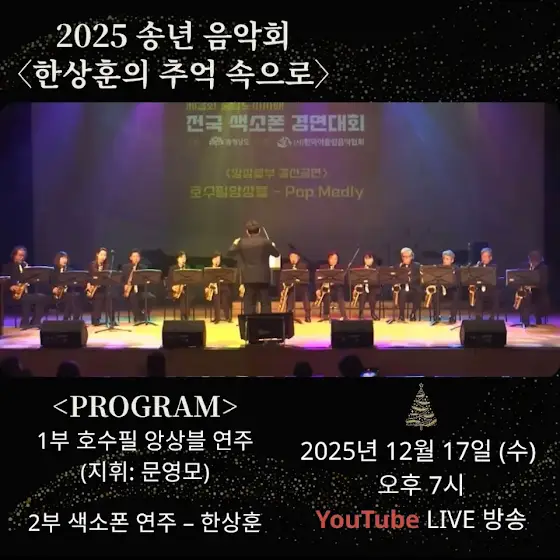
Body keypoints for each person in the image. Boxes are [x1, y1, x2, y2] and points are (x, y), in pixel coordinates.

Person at [227, 220, 280, 314]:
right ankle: (267, 322)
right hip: (263, 277)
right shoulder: (265, 242)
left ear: (247, 231)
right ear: (259, 230)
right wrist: (272, 245)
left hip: (248, 278)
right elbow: (276, 254)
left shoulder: (241, 242)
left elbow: (230, 253)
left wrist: (234, 243)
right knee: (265, 303)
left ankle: (249, 322)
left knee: (249, 303)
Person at [6, 245, 47, 329]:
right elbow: (5, 280)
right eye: (20, 255)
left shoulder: (25, 265)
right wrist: (11, 286)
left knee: (42, 297)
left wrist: (33, 279)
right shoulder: (8, 266)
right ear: (14, 255)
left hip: (25, 292)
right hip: (12, 294)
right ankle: (24, 322)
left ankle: (35, 321)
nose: (22, 258)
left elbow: (28, 280)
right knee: (26, 299)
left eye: (23, 256)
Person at [429, 250, 460, 324]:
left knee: (456, 294)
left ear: (452, 260)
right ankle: (436, 317)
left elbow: (458, 282)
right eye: (444, 258)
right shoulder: (438, 268)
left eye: (447, 259)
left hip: (451, 290)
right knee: (435, 294)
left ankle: (452, 317)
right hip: (441, 289)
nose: (445, 261)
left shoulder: (456, 269)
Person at [519, 250, 549, 326]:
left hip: (538, 293)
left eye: (532, 261)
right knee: (523, 297)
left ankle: (537, 319)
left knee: (530, 298)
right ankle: (525, 321)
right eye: (530, 260)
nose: (530, 262)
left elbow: (543, 283)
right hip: (529, 292)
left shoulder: (543, 268)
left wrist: (531, 287)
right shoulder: (528, 267)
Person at [316, 252, 347, 320]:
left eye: (335, 259)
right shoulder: (323, 267)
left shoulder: (340, 268)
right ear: (329, 259)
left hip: (337, 289)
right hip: (326, 289)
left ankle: (344, 316)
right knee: (327, 296)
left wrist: (334, 282)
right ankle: (326, 315)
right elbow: (318, 279)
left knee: (340, 294)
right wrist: (318, 289)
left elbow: (342, 281)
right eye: (332, 259)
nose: (334, 260)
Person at [52, 251, 81, 321]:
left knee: (73, 296)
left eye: (66, 258)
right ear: (58, 259)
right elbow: (50, 283)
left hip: (68, 292)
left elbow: (75, 283)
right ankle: (68, 318)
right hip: (57, 294)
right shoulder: (53, 271)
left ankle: (72, 318)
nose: (64, 260)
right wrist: (53, 288)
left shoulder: (70, 270)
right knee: (71, 298)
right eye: (62, 258)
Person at [283, 251, 311, 322]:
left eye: (294, 257)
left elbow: (306, 278)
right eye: (291, 257)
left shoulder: (303, 266)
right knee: (291, 293)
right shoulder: (286, 266)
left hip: (301, 287)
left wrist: (298, 279)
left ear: (298, 258)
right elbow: (282, 279)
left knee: (305, 294)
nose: (293, 259)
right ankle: (289, 315)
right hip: (291, 287)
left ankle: (307, 316)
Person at [122, 249, 147, 323]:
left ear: (139, 258)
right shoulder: (125, 267)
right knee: (133, 296)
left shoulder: (143, 267)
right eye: (134, 256)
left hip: (140, 289)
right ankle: (137, 316)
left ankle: (141, 313)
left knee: (152, 298)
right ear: (130, 258)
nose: (136, 258)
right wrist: (124, 285)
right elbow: (122, 279)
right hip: (129, 290)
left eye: (137, 256)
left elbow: (145, 280)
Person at [473, 247, 499, 320]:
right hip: (481, 288)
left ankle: (492, 317)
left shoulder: (494, 266)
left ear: (490, 258)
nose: (483, 258)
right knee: (478, 294)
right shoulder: (479, 265)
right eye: (482, 256)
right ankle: (478, 316)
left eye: (485, 257)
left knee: (495, 295)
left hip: (491, 288)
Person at [396, 248, 422, 322]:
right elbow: (395, 278)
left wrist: (410, 279)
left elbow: (419, 277)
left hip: (413, 288)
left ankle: (413, 314)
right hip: (403, 288)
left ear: (411, 257)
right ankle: (401, 315)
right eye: (404, 256)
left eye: (408, 256)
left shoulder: (417, 265)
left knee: (419, 292)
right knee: (402, 293)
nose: (406, 258)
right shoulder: (399, 266)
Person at [87, 247, 111, 326]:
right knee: (99, 296)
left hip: (103, 287)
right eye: (101, 255)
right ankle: (96, 320)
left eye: (105, 255)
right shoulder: (92, 264)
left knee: (109, 296)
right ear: (97, 255)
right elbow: (90, 276)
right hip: (93, 288)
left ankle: (112, 320)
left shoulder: (107, 266)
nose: (103, 257)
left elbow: (106, 277)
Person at [207, 252, 231, 324]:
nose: (217, 261)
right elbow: (207, 279)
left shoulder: (223, 267)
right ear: (212, 260)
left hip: (224, 288)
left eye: (219, 259)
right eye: (216, 259)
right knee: (216, 299)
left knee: (224, 301)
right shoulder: (210, 268)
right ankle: (217, 318)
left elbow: (227, 277)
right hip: (215, 288)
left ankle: (227, 317)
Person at [167, 251, 190, 320]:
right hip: (174, 290)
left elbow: (191, 280)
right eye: (182, 257)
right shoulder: (172, 268)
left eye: (184, 258)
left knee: (188, 295)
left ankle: (185, 314)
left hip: (185, 289)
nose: (183, 259)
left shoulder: (187, 268)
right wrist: (173, 287)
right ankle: (184, 315)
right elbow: (169, 281)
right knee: (183, 296)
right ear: (178, 259)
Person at [357, 253, 379, 321]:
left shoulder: (376, 268)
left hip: (372, 287)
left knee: (372, 296)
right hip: (363, 287)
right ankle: (360, 313)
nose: (368, 260)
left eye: (369, 259)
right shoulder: (361, 268)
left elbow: (377, 280)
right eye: (366, 259)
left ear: (372, 260)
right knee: (362, 295)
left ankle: (373, 313)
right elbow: (357, 279)